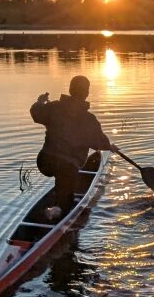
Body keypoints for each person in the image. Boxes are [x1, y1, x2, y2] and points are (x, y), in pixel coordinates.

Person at [30, 75, 116, 220]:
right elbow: (99, 142)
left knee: (62, 175)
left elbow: (36, 113)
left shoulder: (54, 107)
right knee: (66, 200)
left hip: (44, 162)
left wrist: (40, 102)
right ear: (87, 93)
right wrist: (109, 146)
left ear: (70, 90)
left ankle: (59, 195)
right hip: (67, 167)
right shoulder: (89, 120)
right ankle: (55, 210)